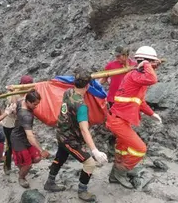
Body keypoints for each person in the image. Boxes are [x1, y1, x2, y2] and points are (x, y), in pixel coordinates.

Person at [44, 69, 108, 202]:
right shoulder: (82, 106)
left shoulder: (68, 92)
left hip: (61, 132)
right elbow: (84, 130)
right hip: (69, 139)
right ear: (88, 86)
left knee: (61, 157)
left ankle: (50, 182)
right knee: (90, 163)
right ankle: (82, 190)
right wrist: (95, 151)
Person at [106, 46, 162, 189]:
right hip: (118, 120)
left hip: (122, 120)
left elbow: (140, 101)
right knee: (140, 149)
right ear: (143, 62)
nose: (153, 66)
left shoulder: (137, 77)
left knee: (122, 148)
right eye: (150, 63)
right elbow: (152, 79)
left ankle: (115, 174)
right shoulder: (134, 75)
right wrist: (146, 64)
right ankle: (120, 172)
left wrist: (152, 114)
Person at [11, 90, 49, 188]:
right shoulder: (26, 115)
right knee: (28, 164)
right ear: (28, 102)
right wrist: (41, 150)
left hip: (23, 133)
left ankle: (22, 165)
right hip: (18, 139)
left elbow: (16, 100)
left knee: (36, 158)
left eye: (37, 104)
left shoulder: (21, 101)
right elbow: (30, 137)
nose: (36, 106)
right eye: (34, 104)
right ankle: (21, 177)